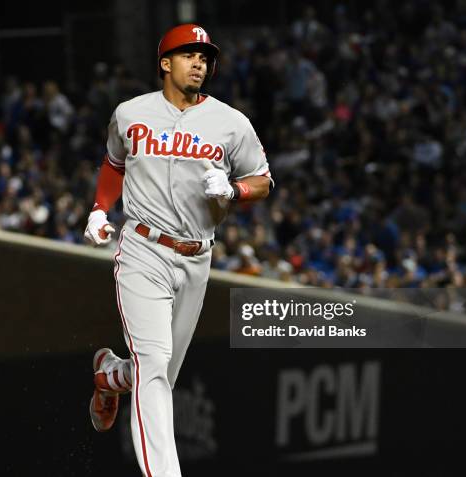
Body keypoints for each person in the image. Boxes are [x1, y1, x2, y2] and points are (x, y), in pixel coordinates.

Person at [83, 24, 272, 477]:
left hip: (197, 256)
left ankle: (109, 376)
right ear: (166, 63)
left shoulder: (231, 122)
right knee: (154, 365)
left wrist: (235, 189)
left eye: (205, 58)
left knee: (160, 376)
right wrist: (98, 209)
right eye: (189, 55)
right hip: (143, 248)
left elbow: (264, 180)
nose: (199, 64)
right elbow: (113, 165)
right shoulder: (130, 113)